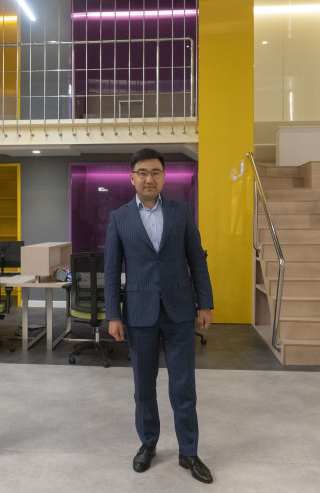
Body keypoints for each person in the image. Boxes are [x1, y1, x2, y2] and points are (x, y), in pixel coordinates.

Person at [104, 148, 214, 484]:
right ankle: (148, 443)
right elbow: (111, 270)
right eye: (142, 172)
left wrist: (205, 303)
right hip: (139, 313)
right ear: (132, 178)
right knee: (144, 386)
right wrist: (113, 315)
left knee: (184, 386)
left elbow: (196, 259)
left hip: (179, 311)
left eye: (155, 172)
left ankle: (188, 451)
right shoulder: (119, 217)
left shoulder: (181, 213)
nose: (149, 178)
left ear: (164, 177)